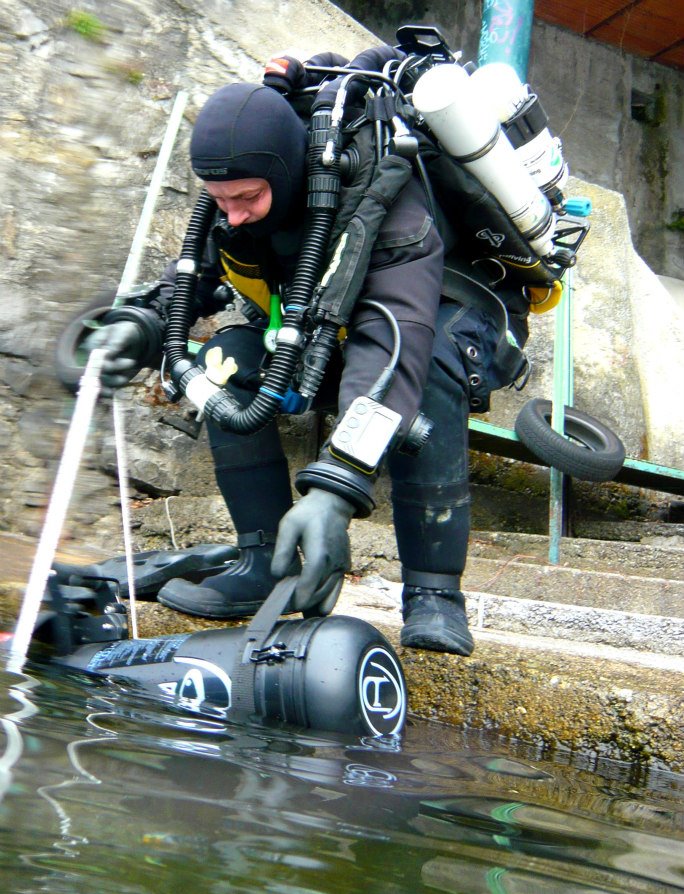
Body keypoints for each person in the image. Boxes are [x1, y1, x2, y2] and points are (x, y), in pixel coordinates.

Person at [82, 43, 532, 657]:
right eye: (221, 200)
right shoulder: (233, 201)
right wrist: (137, 328)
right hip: (331, 328)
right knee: (227, 359)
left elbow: (393, 342)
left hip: (446, 321)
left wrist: (337, 485)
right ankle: (260, 563)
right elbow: (189, 285)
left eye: (247, 199)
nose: (233, 216)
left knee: (428, 373)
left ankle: (434, 594)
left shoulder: (390, 200)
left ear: (287, 174)